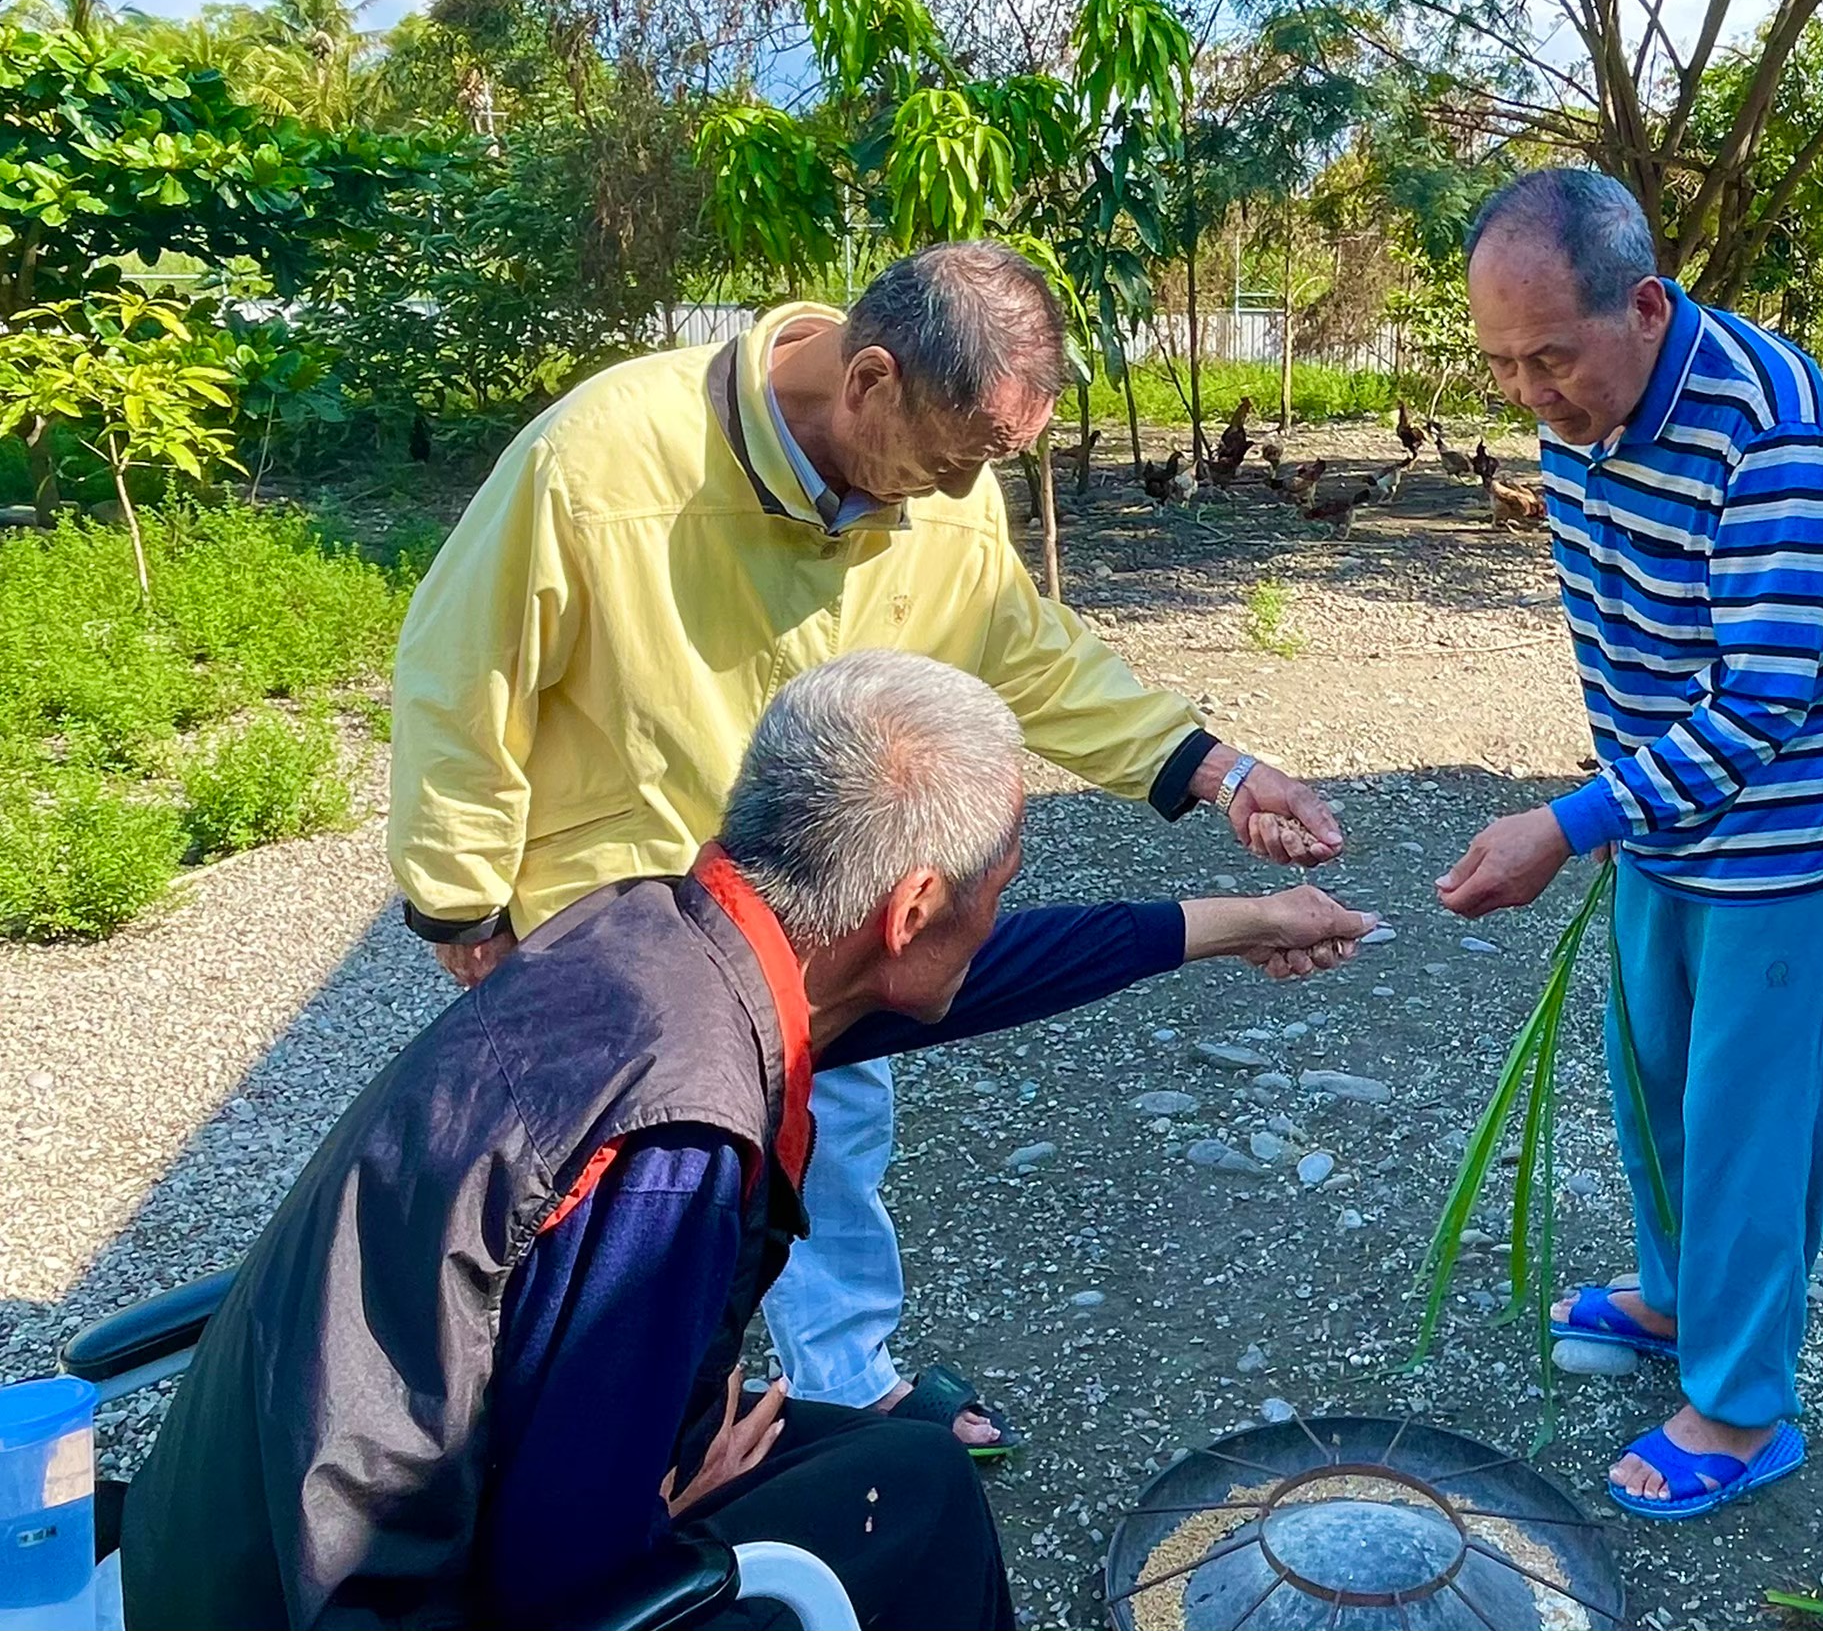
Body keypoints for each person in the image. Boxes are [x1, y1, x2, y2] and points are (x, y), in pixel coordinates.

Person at [122, 652, 1377, 1630]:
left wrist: (1240, 918)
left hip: (250, 1529)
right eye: (993, 892)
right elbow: (566, 1573)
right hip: (376, 1599)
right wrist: (670, 1499)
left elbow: (954, 975)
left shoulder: (653, 938)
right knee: (920, 1494)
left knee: (860, 1447)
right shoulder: (684, 1144)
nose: (998, 919)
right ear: (914, 907)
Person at [387, 240, 1343, 1451]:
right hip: (621, 920)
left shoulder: (945, 489)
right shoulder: (605, 456)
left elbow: (1023, 651)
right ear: (871, 379)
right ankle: (604, 1447)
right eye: (953, 457)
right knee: (620, 1209)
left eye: (984, 465)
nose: (956, 492)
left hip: (820, 910)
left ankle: (836, 1383)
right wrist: (462, 904)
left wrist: (1218, 770)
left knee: (835, 1145)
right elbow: (462, 674)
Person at [1437, 169, 1823, 1520]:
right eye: (1502, 363)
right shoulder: (1576, 416)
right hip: (1662, 821)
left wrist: (1570, 819)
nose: (1530, 394)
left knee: (1752, 1120)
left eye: (1551, 357)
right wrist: (1617, 808)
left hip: (1793, 838)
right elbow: (1620, 632)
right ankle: (1680, 1296)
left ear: (1645, 304)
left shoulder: (1775, 432)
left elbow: (1766, 697)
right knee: (1652, 1082)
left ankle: (1746, 1404)